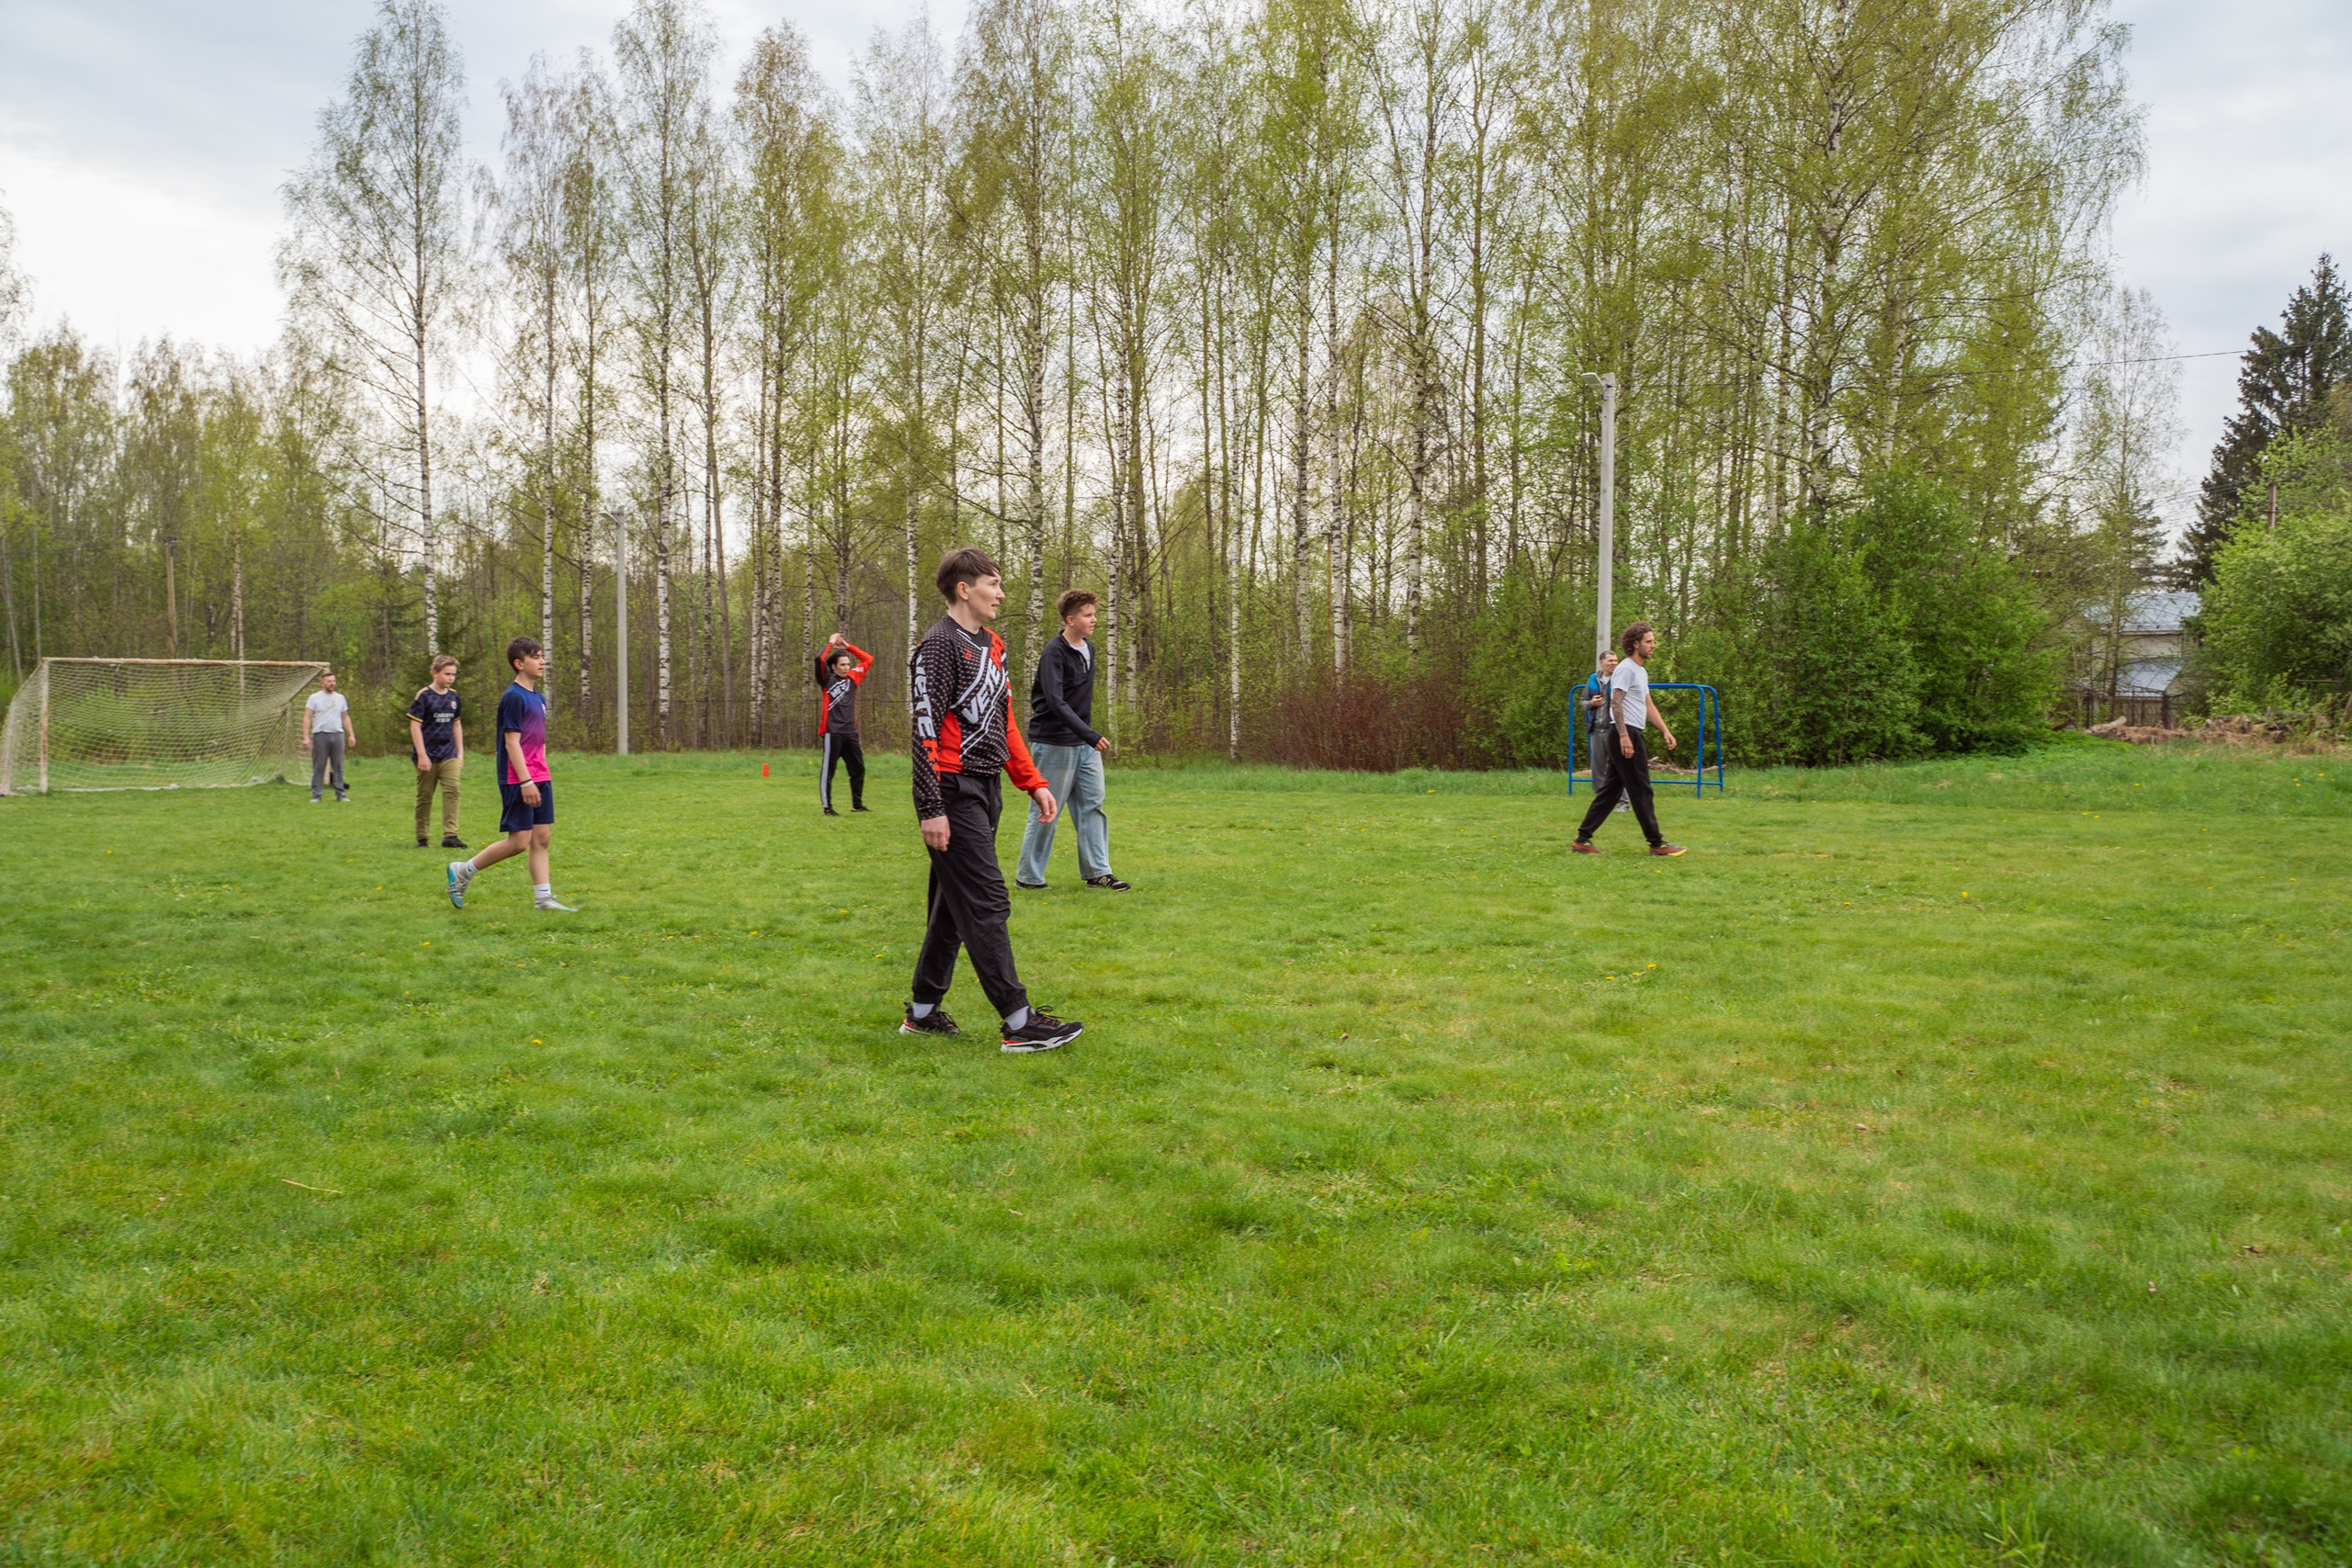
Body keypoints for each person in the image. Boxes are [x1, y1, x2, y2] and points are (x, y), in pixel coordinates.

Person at [903, 547, 1084, 1053]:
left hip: (987, 789)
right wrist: (930, 806)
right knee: (986, 901)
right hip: (950, 789)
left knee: (951, 904)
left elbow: (1002, 722)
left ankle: (921, 1012)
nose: (1001, 593)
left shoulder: (993, 645)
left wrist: (1034, 782)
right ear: (965, 589)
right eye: (993, 583)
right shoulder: (937, 647)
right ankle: (1018, 1021)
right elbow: (922, 731)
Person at [447, 637, 574, 911]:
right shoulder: (514, 697)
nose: (542, 662)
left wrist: (541, 773)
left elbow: (537, 740)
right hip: (519, 779)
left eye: (542, 657)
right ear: (519, 663)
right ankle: (463, 871)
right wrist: (526, 780)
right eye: (536, 657)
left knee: (542, 838)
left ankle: (544, 899)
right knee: (519, 842)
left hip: (540, 775)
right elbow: (511, 742)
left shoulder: (538, 698)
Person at [1015, 588, 1128, 892]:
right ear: (1070, 619)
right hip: (1054, 744)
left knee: (1093, 805)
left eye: (1094, 614)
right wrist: (1090, 734)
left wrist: (1088, 738)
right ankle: (1029, 877)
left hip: (1085, 746)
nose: (1094, 620)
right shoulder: (1054, 653)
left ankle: (1098, 872)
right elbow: (1055, 701)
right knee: (1047, 811)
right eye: (1088, 615)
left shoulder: (1090, 649)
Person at [1572, 621, 1686, 857]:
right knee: (1641, 789)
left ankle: (1582, 840)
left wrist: (1665, 729)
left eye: (1653, 641)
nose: (1653, 645)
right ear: (1636, 644)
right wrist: (1624, 736)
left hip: (1631, 732)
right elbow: (1616, 702)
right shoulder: (1626, 668)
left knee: (1610, 791)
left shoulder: (1640, 671)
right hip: (1626, 733)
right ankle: (1657, 844)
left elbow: (1647, 704)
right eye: (1649, 641)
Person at [408, 655, 467, 850]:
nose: (451, 678)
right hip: (428, 755)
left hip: (448, 753)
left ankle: (450, 835)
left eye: (453, 675)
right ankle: (422, 837)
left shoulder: (454, 696)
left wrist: (460, 753)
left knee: (453, 790)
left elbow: (456, 725)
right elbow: (415, 726)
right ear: (435, 673)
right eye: (447, 674)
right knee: (425, 796)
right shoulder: (423, 696)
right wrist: (422, 755)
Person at [815, 633, 874, 816]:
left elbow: (868, 659)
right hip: (833, 732)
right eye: (843, 665)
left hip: (850, 733)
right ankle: (827, 808)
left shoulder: (853, 678)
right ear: (834, 667)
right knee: (829, 772)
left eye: (848, 664)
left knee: (858, 769)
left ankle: (857, 804)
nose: (847, 667)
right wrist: (831, 643)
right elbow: (819, 658)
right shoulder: (827, 680)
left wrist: (848, 646)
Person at [301, 671, 355, 802]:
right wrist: (306, 737)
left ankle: (340, 794)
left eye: (333, 681)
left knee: (338, 766)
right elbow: (307, 717)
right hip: (321, 735)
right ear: (323, 683)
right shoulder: (314, 698)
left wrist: (351, 735)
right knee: (319, 766)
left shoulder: (340, 698)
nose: (332, 683)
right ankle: (316, 795)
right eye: (329, 681)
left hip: (337, 734)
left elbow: (345, 717)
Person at [1580, 649, 1620, 801]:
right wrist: (1592, 703)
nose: (1614, 663)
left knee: (1618, 767)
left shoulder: (1620, 679)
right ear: (1602, 663)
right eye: (1610, 661)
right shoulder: (1592, 679)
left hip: (1614, 730)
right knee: (1598, 769)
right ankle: (1601, 802)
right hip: (1596, 730)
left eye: (1616, 661)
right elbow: (1583, 702)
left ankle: (1623, 802)